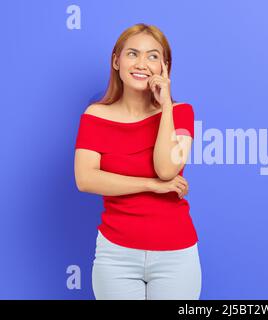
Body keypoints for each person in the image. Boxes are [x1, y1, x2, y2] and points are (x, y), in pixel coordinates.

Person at [73, 23, 201, 300]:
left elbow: (167, 170)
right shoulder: (95, 115)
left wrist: (165, 105)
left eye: (153, 56)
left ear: (165, 67)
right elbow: (85, 179)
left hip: (175, 254)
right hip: (116, 254)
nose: (142, 63)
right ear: (116, 61)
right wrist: (150, 185)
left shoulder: (181, 113)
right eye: (132, 54)